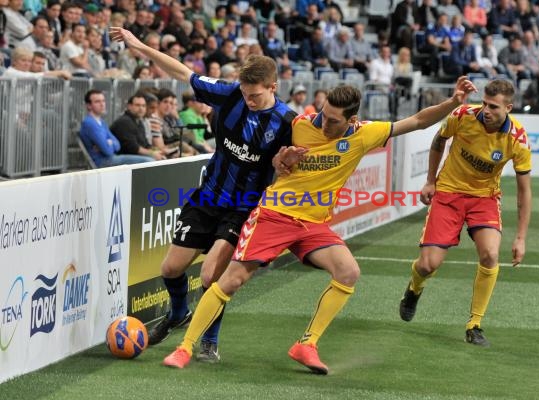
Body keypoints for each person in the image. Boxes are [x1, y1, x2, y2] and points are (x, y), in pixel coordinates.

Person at [162, 76, 476, 372]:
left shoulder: (364, 134)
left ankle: (307, 344)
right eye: (323, 115)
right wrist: (282, 160)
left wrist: (453, 102)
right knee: (231, 280)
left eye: (333, 120)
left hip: (312, 224)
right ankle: (186, 347)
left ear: (352, 120)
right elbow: (269, 161)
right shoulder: (299, 124)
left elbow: (418, 120)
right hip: (274, 214)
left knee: (349, 271)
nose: (324, 123)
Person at [110, 27, 296, 361]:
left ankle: (209, 339)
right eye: (245, 94)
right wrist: (139, 46)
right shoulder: (230, 95)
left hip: (242, 208)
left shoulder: (288, 122)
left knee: (211, 275)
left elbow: (302, 160)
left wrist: (286, 168)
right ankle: (178, 313)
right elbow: (183, 72)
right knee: (170, 268)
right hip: (208, 197)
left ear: (273, 87)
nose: (249, 101)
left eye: (256, 95)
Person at [398, 79, 532, 347]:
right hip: (448, 194)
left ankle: (474, 324)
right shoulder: (463, 115)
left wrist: (520, 237)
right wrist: (430, 180)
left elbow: (524, 192)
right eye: (484, 103)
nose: (486, 110)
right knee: (427, 265)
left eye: (493, 106)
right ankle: (414, 289)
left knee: (490, 254)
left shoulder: (517, 138)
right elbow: (439, 141)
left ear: (509, 106)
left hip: (484, 198)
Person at [79, 89, 155, 167]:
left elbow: (117, 145)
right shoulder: (90, 123)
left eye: (103, 101)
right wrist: (109, 143)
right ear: (89, 105)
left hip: (111, 158)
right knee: (149, 161)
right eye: (97, 102)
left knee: (151, 159)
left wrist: (109, 143)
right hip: (102, 162)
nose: (102, 104)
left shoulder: (101, 121)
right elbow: (107, 151)